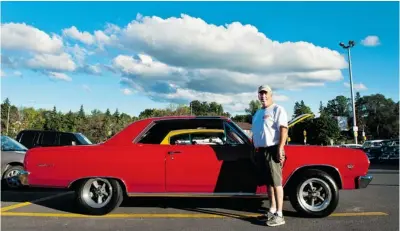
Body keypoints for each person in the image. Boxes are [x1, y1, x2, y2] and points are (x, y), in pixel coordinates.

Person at [251, 84, 288, 227]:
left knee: (277, 183)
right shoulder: (258, 113)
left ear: (271, 94)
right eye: (261, 93)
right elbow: (256, 132)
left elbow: (284, 130)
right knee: (269, 183)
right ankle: (272, 210)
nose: (263, 96)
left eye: (265, 93)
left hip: (273, 150)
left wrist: (280, 148)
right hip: (261, 151)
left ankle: (280, 214)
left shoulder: (277, 109)